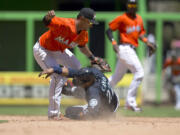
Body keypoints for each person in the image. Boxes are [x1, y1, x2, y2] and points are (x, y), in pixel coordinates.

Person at [33, 8, 100, 119]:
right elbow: (47, 22)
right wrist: (47, 17)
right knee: (57, 77)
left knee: (78, 68)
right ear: (82, 19)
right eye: (90, 22)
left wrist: (93, 58)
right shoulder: (65, 24)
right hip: (43, 49)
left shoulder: (83, 33)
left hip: (59, 51)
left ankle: (68, 87)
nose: (91, 25)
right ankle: (53, 114)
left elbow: (82, 47)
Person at [106, 0, 156, 112]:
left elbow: (140, 33)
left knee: (116, 77)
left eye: (134, 5)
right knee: (139, 73)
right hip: (125, 48)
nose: (132, 7)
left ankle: (100, 90)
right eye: (130, 5)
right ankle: (130, 102)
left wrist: (147, 42)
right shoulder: (122, 18)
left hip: (131, 49)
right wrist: (113, 43)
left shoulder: (139, 18)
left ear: (136, 6)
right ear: (127, 6)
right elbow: (109, 30)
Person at [39, 63, 119, 120]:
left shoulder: (93, 91)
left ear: (87, 83)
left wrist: (70, 118)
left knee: (70, 111)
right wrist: (54, 69)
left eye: (80, 80)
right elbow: (71, 72)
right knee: (75, 92)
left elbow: (90, 112)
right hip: (112, 99)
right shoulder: (95, 72)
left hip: (105, 110)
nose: (77, 80)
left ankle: (108, 116)